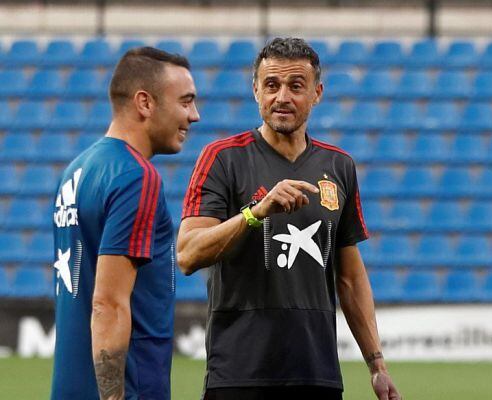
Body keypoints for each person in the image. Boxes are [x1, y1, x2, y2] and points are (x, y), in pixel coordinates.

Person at [176, 37, 400, 400]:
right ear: (255, 91)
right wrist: (256, 212)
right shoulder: (221, 158)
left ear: (317, 93)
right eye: (271, 85)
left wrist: (377, 365)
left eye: (296, 86)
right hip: (239, 373)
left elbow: (350, 276)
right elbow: (187, 254)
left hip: (317, 374)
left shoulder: (338, 166)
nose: (282, 97)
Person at [50, 47, 199, 399]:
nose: (194, 115)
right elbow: (108, 303)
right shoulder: (136, 177)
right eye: (185, 101)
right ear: (145, 103)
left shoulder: (76, 171)